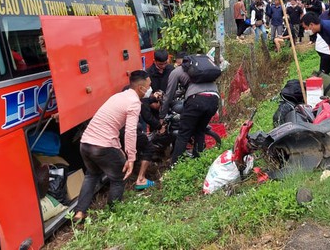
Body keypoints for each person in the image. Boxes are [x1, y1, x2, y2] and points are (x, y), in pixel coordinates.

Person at [73, 70, 151, 223]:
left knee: (91, 175)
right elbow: (129, 132)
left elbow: (109, 126)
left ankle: (79, 213)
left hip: (86, 143)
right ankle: (113, 214)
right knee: (119, 177)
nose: (150, 89)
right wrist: (131, 158)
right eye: (148, 86)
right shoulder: (134, 103)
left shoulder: (118, 96)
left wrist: (120, 150)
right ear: (140, 88)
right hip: (102, 146)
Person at [160, 56, 220, 165]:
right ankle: (198, 161)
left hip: (196, 101)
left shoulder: (176, 71)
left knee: (183, 134)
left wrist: (162, 115)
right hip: (214, 99)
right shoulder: (200, 70)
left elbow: (168, 96)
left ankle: (174, 166)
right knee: (200, 131)